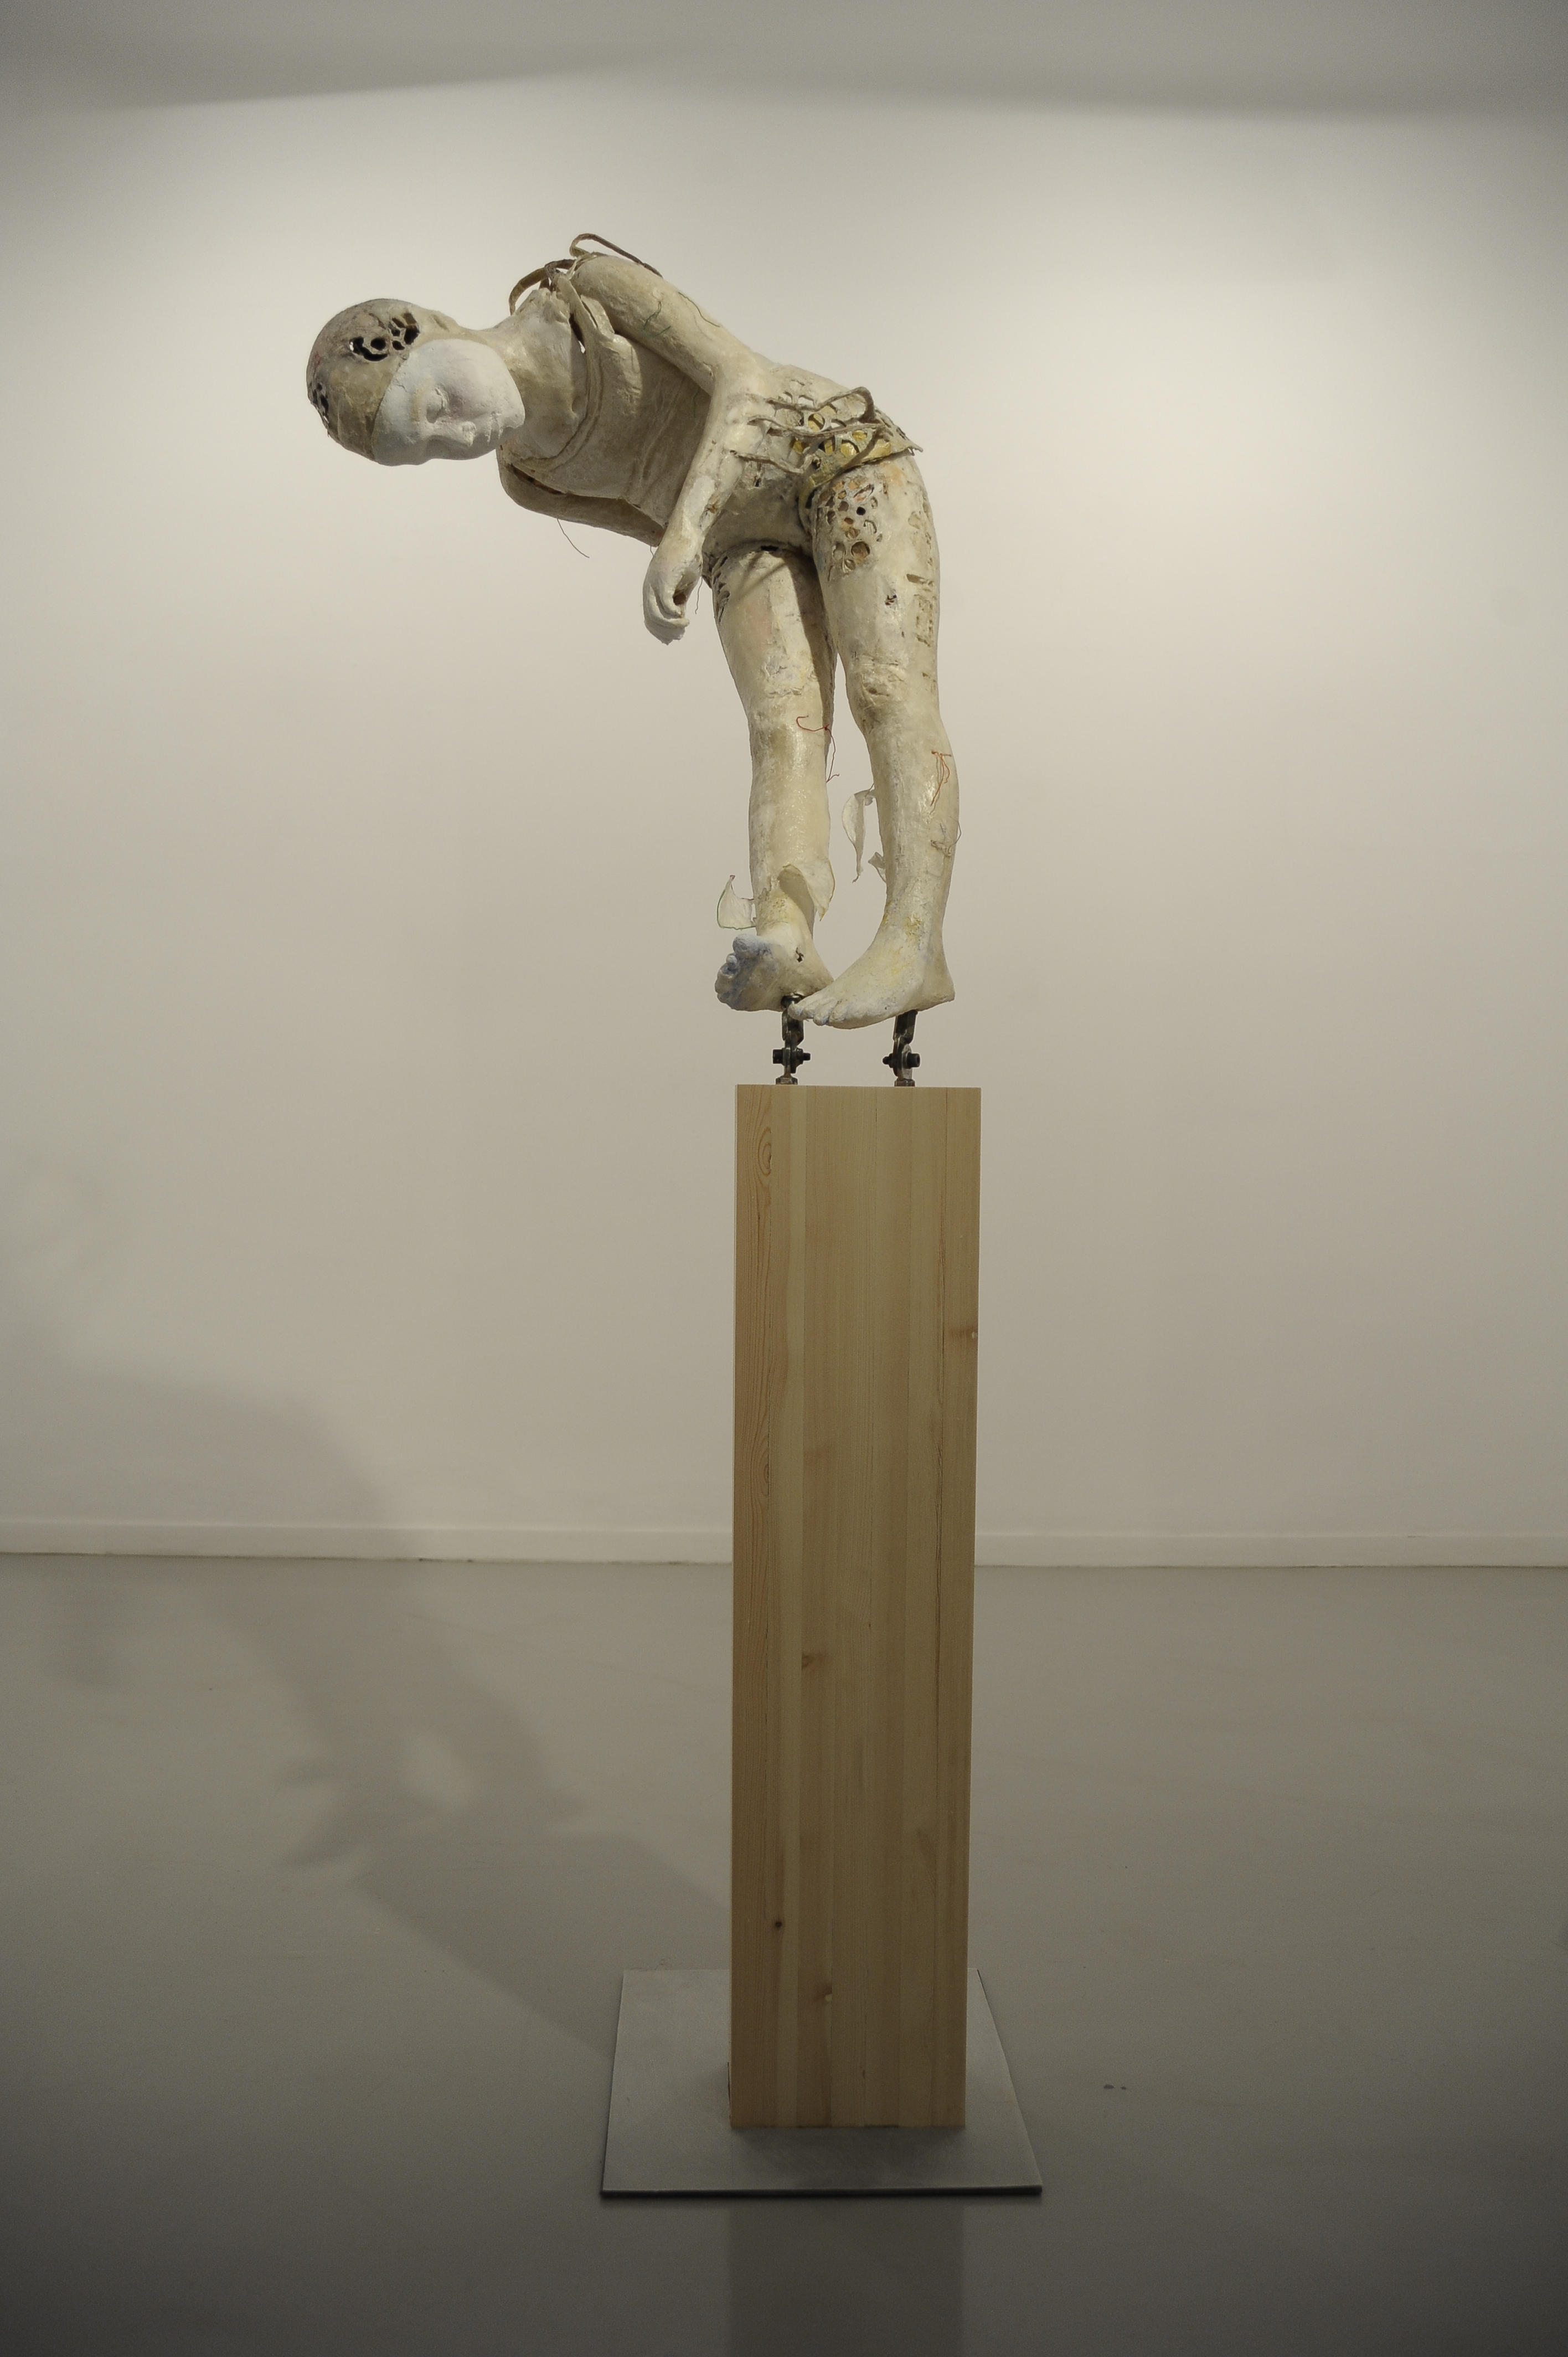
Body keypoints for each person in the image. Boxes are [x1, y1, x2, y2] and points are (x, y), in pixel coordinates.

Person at [306, 235, 957, 1030]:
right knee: (782, 727)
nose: (459, 438)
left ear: (431, 326)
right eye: (429, 453)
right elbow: (660, 532)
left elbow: (744, 380)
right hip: (740, 543)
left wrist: (686, 534)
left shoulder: (587, 300)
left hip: (835, 456)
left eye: (434, 406)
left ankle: (914, 943)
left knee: (886, 690)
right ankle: (786, 935)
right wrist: (688, 554)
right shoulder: (528, 477)